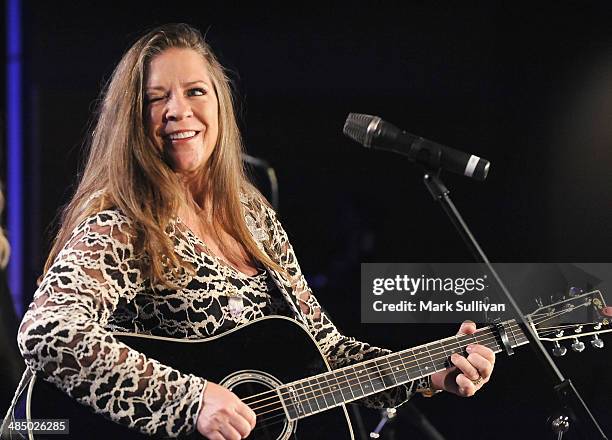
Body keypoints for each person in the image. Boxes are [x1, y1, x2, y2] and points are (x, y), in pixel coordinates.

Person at [5, 24, 494, 439]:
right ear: (132, 119)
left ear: (220, 104)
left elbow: (324, 350)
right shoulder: (124, 221)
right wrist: (190, 402)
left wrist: (427, 374)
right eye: (157, 98)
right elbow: (50, 331)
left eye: (195, 91)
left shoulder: (252, 218)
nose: (178, 110)